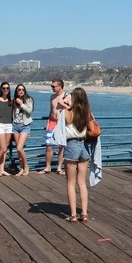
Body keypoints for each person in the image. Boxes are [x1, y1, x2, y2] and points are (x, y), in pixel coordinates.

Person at [63, 87, 92, 222]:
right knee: (82, 183)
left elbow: (58, 113)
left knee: (70, 183)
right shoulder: (87, 113)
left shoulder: (68, 113)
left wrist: (66, 102)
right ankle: (84, 213)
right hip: (84, 146)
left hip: (72, 145)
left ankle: (73, 215)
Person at [39, 78, 70, 175]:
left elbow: (72, 109)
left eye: (53, 86)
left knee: (61, 146)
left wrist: (63, 104)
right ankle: (47, 167)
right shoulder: (52, 97)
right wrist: (48, 122)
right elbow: (51, 110)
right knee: (49, 145)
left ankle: (59, 168)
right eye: (51, 86)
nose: (52, 88)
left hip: (62, 123)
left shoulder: (67, 96)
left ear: (60, 86)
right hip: (52, 122)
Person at [12, 84, 34, 176]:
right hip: (15, 126)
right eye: (19, 90)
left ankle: (26, 166)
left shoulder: (29, 99)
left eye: (22, 89)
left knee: (19, 148)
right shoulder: (13, 101)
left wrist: (21, 104)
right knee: (18, 150)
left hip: (25, 126)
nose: (21, 91)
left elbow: (29, 110)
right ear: (16, 91)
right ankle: (21, 168)